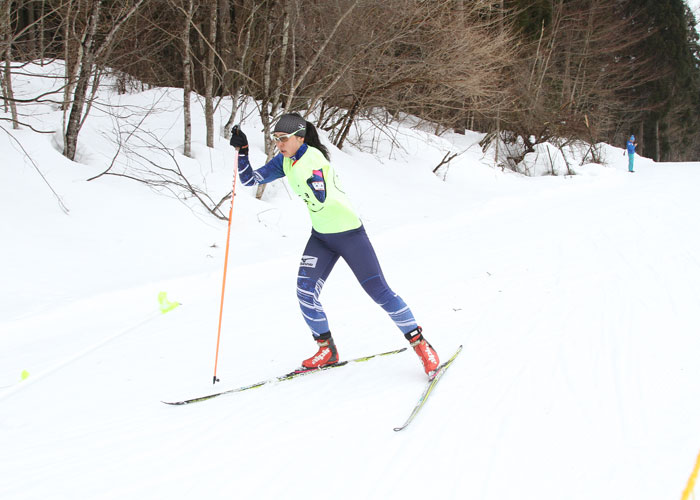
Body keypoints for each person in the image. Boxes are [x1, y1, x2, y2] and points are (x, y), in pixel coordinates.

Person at [229, 113, 440, 376]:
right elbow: (250, 180)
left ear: (299, 138)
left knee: (379, 291)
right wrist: (243, 151)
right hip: (321, 237)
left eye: (283, 139)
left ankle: (421, 345)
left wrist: (316, 184)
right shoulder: (285, 160)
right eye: (276, 139)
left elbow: (321, 197)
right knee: (305, 292)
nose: (279, 144)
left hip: (349, 234)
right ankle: (326, 349)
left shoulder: (313, 160)